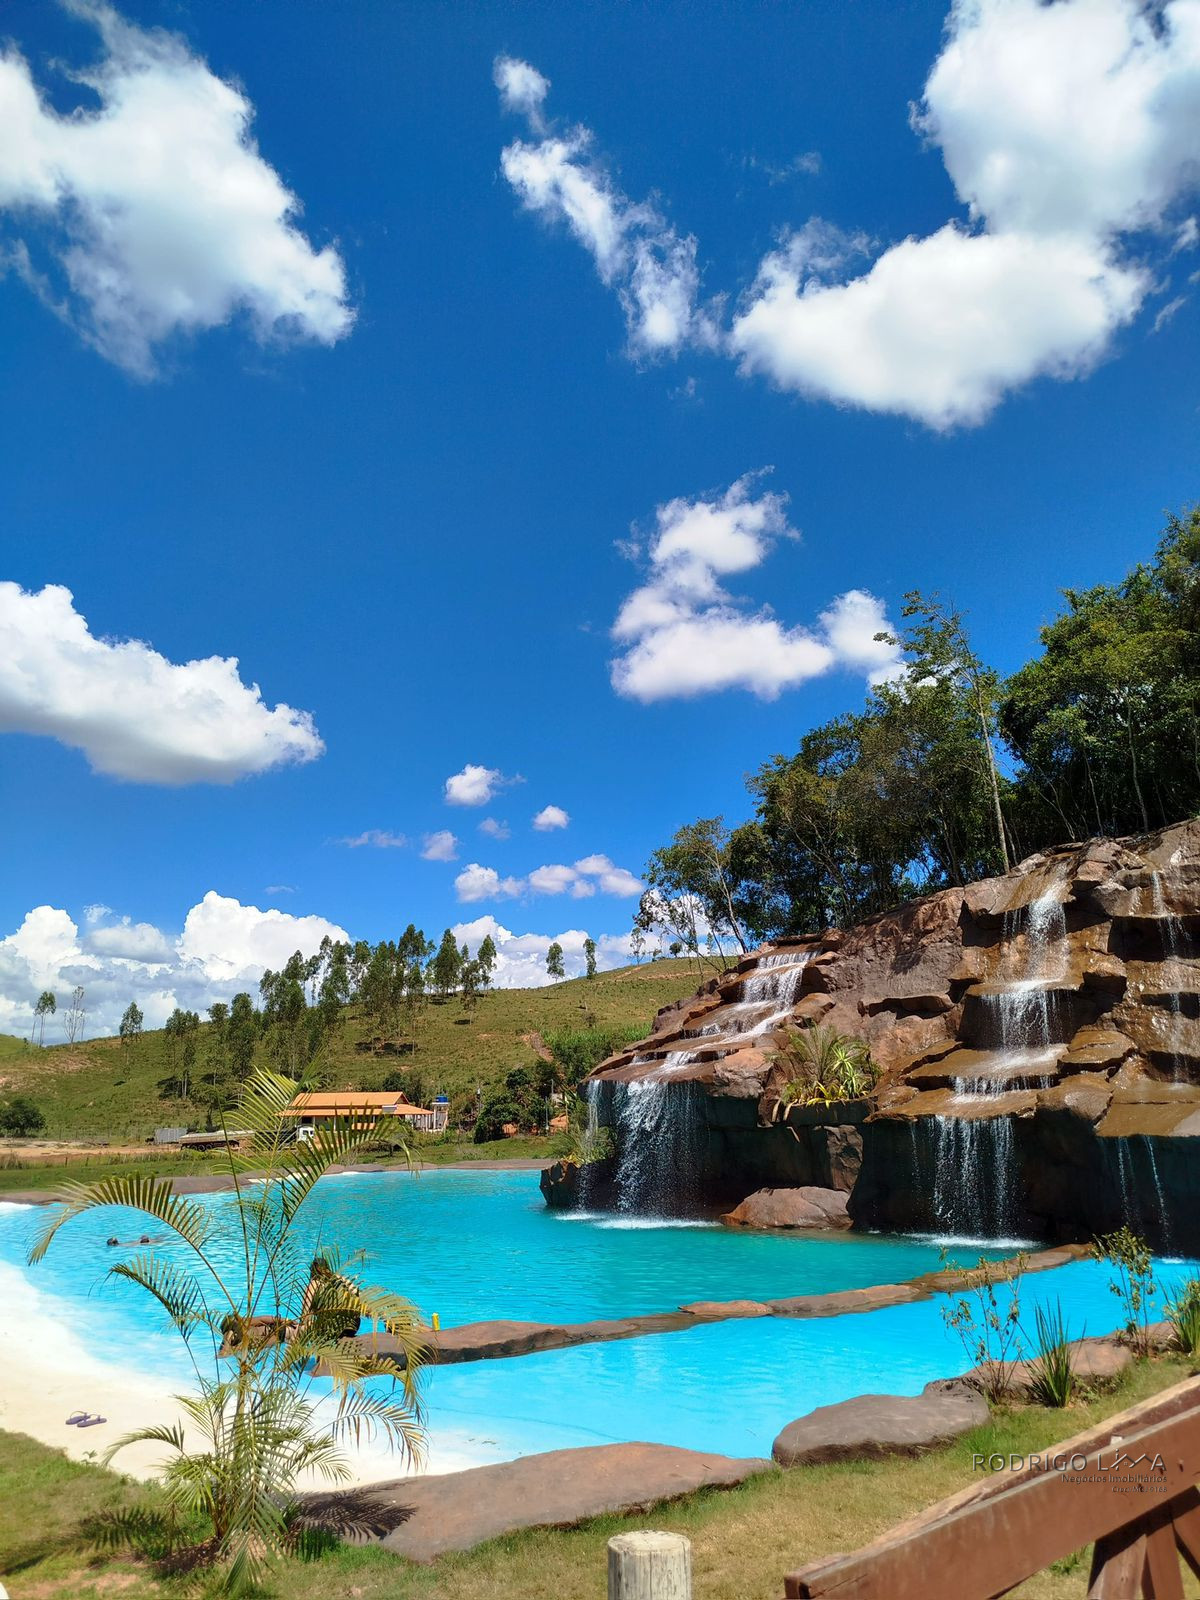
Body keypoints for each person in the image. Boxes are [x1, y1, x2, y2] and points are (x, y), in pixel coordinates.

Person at [299, 1256, 361, 1341]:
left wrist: (302, 1326)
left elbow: (305, 1311)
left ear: (315, 1268)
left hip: (333, 1329)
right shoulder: (340, 1278)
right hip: (353, 1325)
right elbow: (357, 1293)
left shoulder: (314, 1284)